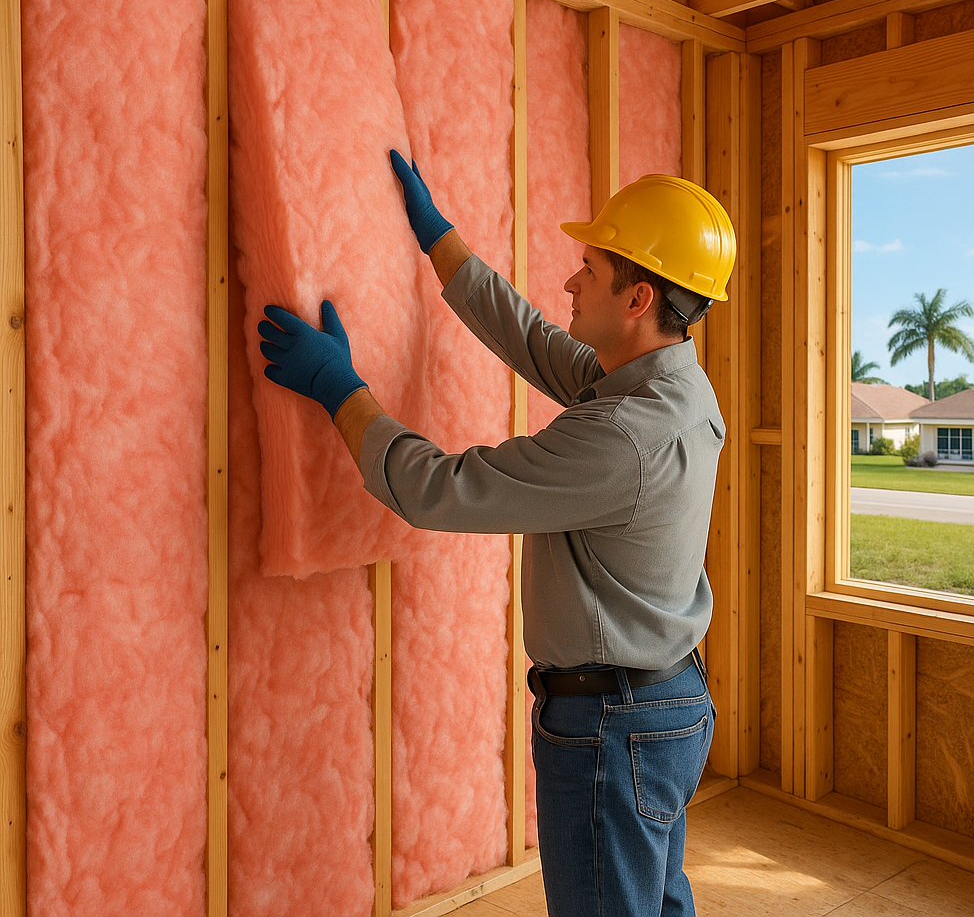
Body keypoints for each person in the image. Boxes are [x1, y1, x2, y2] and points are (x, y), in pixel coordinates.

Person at [258, 150, 737, 917]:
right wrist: (438, 238)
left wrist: (339, 388)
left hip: (615, 725)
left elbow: (438, 489)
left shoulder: (623, 435)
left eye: (589, 267)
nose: (571, 282)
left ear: (638, 296)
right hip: (663, 704)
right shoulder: (665, 378)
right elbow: (534, 339)